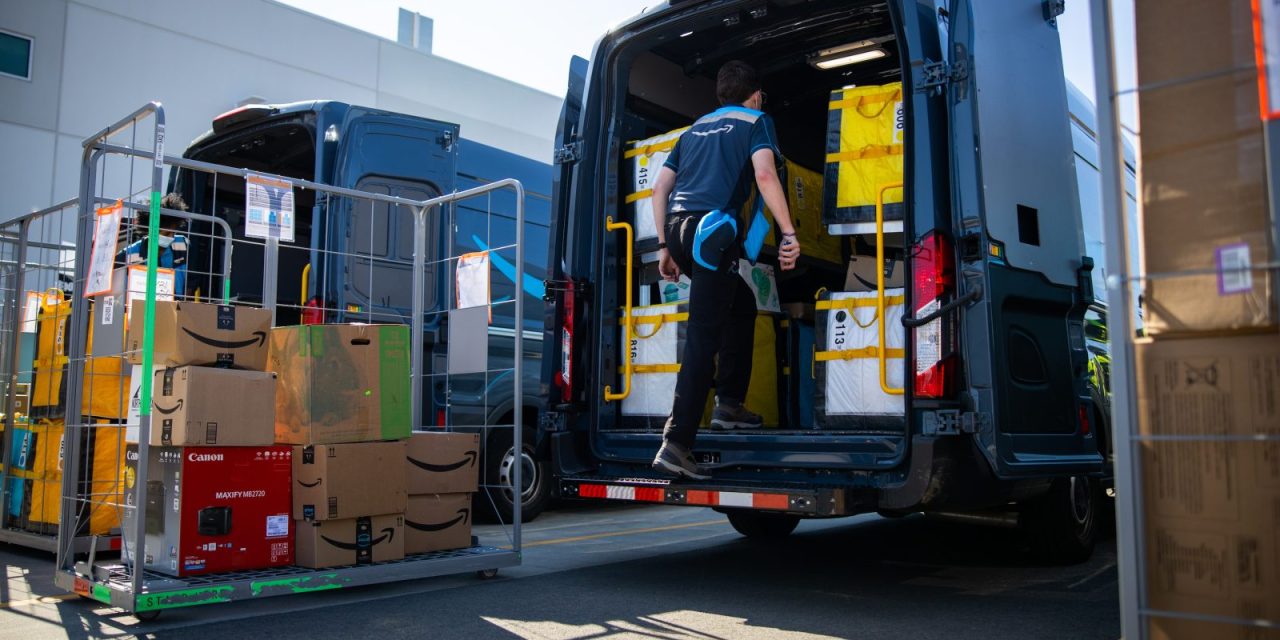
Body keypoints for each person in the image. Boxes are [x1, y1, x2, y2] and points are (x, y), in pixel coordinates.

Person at [650, 60, 801, 480]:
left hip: (682, 230)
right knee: (703, 334)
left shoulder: (694, 130)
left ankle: (729, 405)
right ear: (755, 94)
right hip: (712, 232)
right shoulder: (757, 120)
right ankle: (677, 442)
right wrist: (788, 233)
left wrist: (664, 245)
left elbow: (659, 187)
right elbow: (765, 174)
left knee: (741, 306)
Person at [119, 192, 189, 296]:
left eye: (173, 232)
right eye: (166, 233)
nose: (170, 237)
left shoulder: (183, 244)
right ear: (150, 230)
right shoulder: (129, 254)